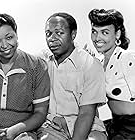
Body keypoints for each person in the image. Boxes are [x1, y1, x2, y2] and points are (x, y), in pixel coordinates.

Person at [37, 12, 107, 140]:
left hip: (89, 127)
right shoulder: (42, 62)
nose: (52, 38)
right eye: (48, 34)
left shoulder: (90, 64)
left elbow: (87, 113)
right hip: (51, 126)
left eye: (59, 33)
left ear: (73, 35)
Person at [0, 13, 50, 140]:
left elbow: (40, 113)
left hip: (22, 131)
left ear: (16, 34)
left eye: (9, 37)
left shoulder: (36, 66)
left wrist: (14, 131)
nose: (4, 45)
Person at [88, 8, 135, 139]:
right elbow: (98, 101)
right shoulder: (99, 63)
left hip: (132, 127)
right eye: (94, 32)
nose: (97, 38)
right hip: (115, 124)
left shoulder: (127, 58)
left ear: (118, 34)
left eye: (105, 32)